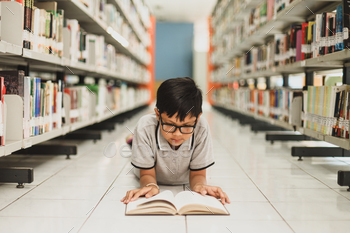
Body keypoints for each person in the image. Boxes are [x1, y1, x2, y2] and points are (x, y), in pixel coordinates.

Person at [120, 77, 230, 205]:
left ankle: (133, 140)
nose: (177, 134)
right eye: (170, 125)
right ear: (157, 115)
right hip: (148, 170)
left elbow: (197, 175)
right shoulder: (144, 127)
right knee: (134, 149)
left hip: (184, 178)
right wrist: (150, 185)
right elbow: (146, 173)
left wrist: (200, 185)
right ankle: (132, 141)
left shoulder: (202, 128)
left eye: (187, 125)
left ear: (198, 118)